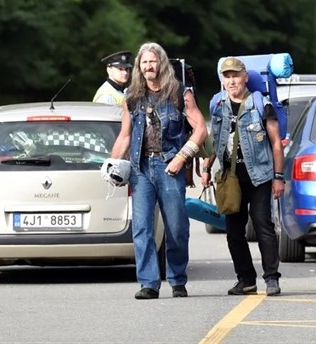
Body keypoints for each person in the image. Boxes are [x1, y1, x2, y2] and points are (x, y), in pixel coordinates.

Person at [107, 42, 207, 299]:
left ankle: (177, 280)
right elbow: (125, 135)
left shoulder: (180, 93)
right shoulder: (132, 96)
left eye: (152, 61)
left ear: (161, 63)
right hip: (140, 168)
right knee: (141, 228)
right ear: (139, 67)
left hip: (170, 167)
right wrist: (111, 164)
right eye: (144, 63)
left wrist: (182, 157)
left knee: (176, 228)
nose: (148, 66)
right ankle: (149, 283)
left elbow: (200, 130)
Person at [201, 57, 285, 296]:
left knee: (263, 226)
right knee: (234, 232)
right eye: (226, 76)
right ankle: (246, 280)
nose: (231, 81)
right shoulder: (217, 105)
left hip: (259, 175)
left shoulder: (260, 103)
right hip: (230, 177)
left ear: (245, 77)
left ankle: (271, 278)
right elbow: (214, 140)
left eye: (235, 75)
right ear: (222, 80)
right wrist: (207, 169)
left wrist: (279, 177)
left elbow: (276, 143)